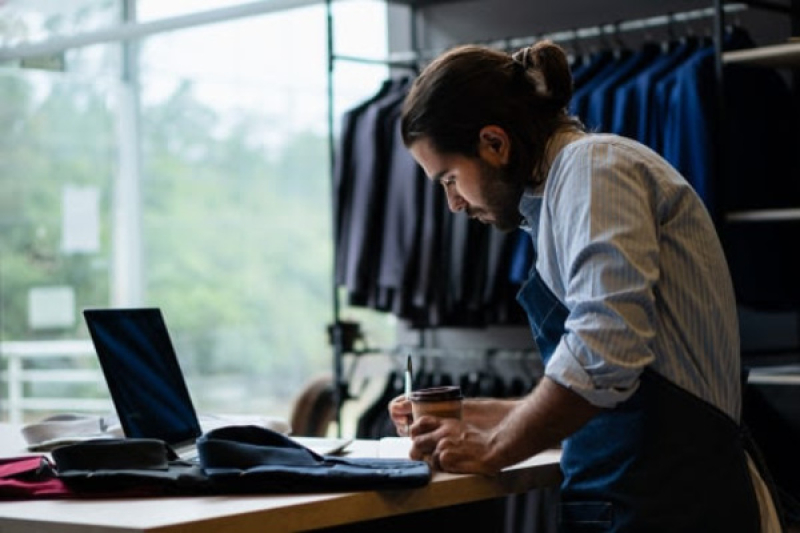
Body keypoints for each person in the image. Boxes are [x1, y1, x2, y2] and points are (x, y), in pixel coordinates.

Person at [387, 40, 783, 532]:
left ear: (494, 143)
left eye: (449, 179)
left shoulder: (594, 169)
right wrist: (478, 414)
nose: (454, 203)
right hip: (642, 501)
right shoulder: (561, 195)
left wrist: (496, 445)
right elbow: (612, 397)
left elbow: (604, 349)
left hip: (676, 507)